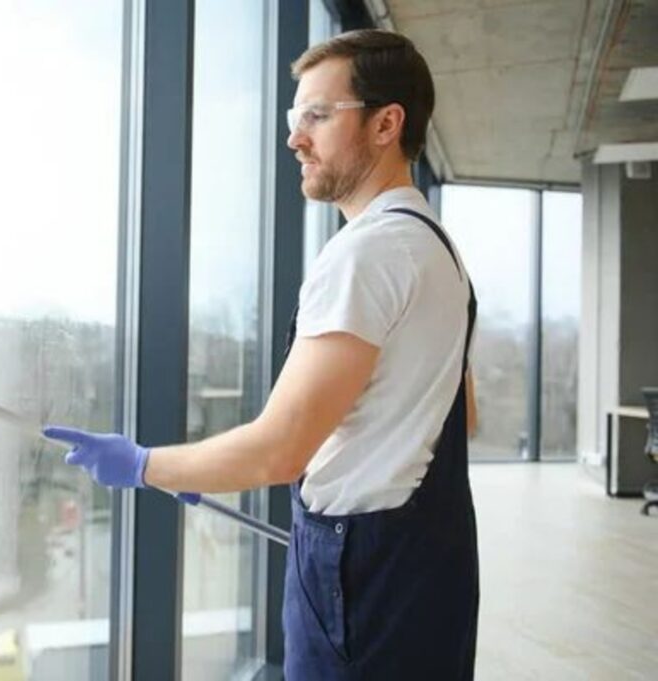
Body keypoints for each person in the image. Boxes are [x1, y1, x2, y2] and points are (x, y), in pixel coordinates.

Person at [44, 29, 479, 680]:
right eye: (293, 116)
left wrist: (142, 464)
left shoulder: (367, 254)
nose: (294, 137)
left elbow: (280, 449)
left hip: (365, 586)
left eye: (317, 116)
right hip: (425, 573)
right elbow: (459, 412)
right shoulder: (438, 248)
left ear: (388, 123)